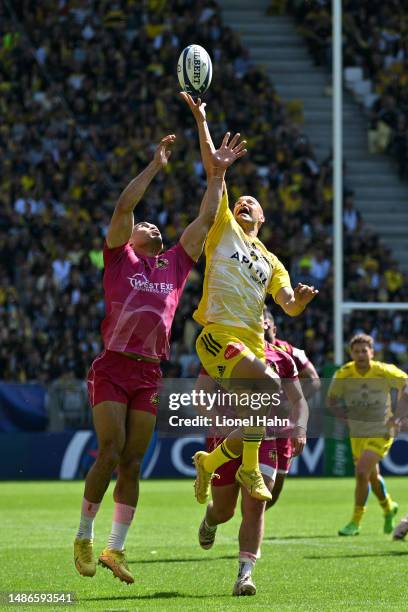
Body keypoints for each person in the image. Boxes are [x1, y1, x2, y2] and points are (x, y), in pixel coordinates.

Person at [74, 130, 247, 583]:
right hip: (113, 365)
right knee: (109, 451)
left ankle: (116, 550)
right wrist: (155, 166)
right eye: (144, 224)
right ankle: (83, 535)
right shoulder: (117, 257)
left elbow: (208, 218)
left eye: (155, 225)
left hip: (150, 374)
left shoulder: (173, 263)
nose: (152, 225)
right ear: (129, 237)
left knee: (132, 461)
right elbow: (124, 207)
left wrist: (218, 174)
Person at [180, 92, 318, 504]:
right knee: (271, 385)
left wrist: (301, 302)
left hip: (252, 344)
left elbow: (288, 304)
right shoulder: (223, 227)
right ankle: (250, 468)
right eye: (242, 200)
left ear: (262, 219)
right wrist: (202, 121)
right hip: (217, 336)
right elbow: (214, 174)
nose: (244, 203)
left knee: (257, 414)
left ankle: (209, 462)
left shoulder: (273, 261)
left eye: (252, 203)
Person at [195, 339, 308, 596]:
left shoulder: (282, 358)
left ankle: (245, 575)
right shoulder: (219, 349)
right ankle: (210, 520)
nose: (261, 324)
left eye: (266, 320)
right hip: (226, 440)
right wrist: (217, 422)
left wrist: (300, 427)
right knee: (224, 511)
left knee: (257, 503)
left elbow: (299, 399)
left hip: (265, 439)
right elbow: (201, 392)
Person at [327, 333, 408, 537]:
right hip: (357, 433)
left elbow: (405, 385)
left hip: (381, 430)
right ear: (351, 353)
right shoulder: (344, 373)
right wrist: (342, 417)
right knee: (372, 477)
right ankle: (389, 507)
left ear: (372, 352)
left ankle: (355, 521)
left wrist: (398, 416)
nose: (361, 354)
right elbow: (331, 400)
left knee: (362, 472)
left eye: (365, 350)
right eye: (356, 351)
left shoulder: (383, 370)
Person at [263, 308, 320, 508]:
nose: (264, 326)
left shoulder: (290, 352)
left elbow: (314, 380)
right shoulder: (246, 351)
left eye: (267, 324)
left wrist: (291, 402)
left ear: (274, 328)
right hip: (253, 426)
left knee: (273, 494)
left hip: (283, 430)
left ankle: (251, 519)